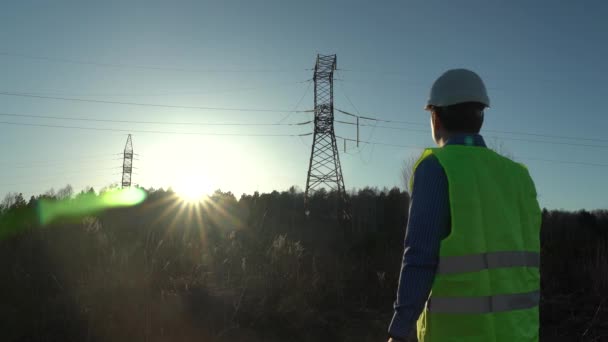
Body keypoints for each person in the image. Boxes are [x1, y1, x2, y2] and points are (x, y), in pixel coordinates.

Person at [388, 69, 541, 342]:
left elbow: (420, 258)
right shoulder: (519, 176)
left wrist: (399, 331)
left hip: (459, 333)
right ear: (480, 116)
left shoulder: (437, 168)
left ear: (435, 117)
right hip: (520, 332)